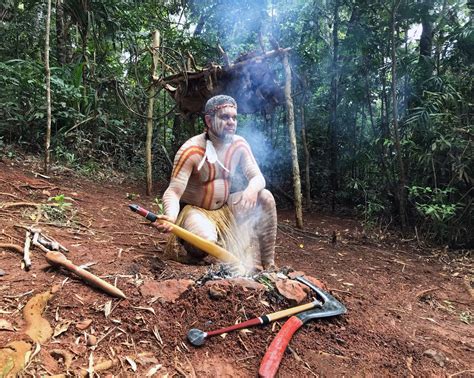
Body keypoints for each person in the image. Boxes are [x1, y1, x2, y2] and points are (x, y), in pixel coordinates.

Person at [155, 95, 277, 270]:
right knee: (205, 241)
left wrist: (250, 189)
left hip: (226, 210)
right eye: (225, 117)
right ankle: (193, 244)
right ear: (209, 121)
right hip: (197, 212)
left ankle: (269, 264)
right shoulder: (191, 150)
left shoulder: (239, 145)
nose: (231, 122)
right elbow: (174, 191)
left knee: (265, 197)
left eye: (234, 117)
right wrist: (171, 218)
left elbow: (258, 178)